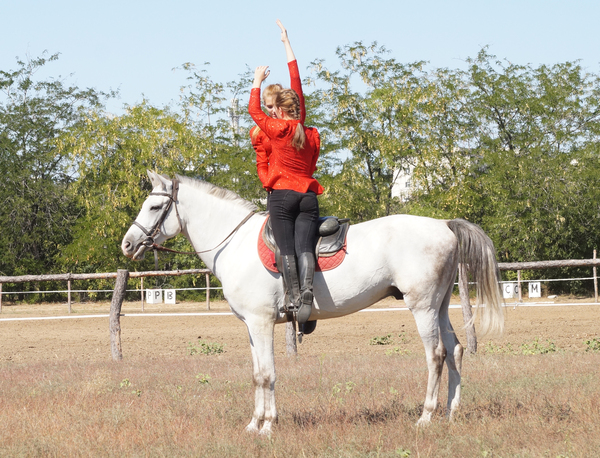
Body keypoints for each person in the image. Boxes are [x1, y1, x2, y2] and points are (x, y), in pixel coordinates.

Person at [248, 24, 322, 326]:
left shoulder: (276, 129)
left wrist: (255, 80)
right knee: (306, 248)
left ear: (278, 108)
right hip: (308, 196)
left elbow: (255, 111)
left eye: (273, 107)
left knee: (287, 249)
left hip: (281, 196)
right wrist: (287, 44)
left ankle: (293, 300)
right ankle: (308, 293)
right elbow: (297, 83)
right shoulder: (309, 131)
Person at [250, 20, 306, 209]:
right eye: (267, 106)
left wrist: (286, 42)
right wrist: (269, 183)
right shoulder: (258, 131)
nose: (271, 111)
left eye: (275, 106)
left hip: (300, 190)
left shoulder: (296, 123)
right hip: (277, 192)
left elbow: (295, 79)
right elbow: (261, 161)